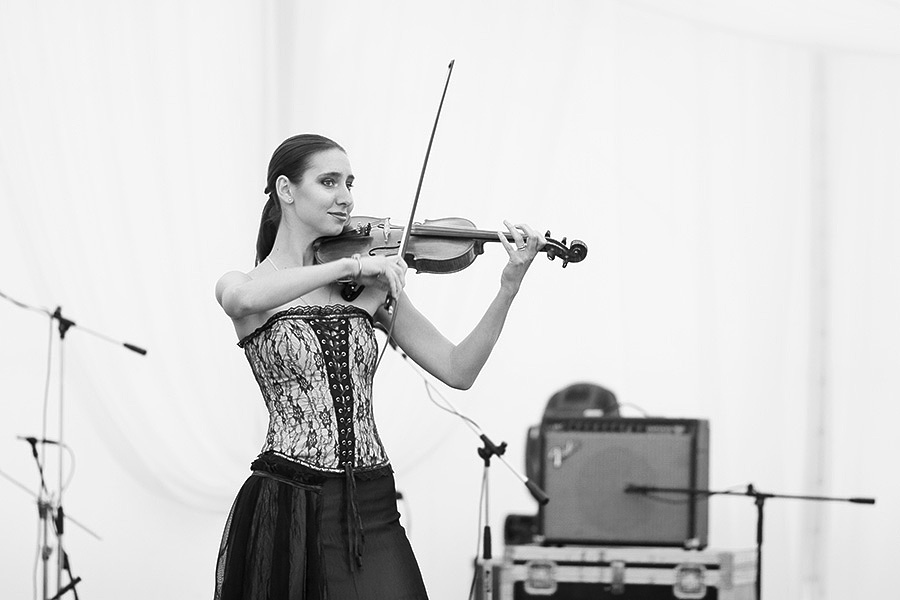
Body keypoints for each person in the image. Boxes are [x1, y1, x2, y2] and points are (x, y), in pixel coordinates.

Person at [213, 133, 545, 599]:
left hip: (371, 500)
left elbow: (458, 369)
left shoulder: (369, 285)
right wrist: (348, 267)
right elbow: (240, 300)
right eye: (329, 182)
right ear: (286, 190)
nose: (346, 198)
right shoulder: (250, 284)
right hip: (290, 497)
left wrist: (508, 287)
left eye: (349, 183)